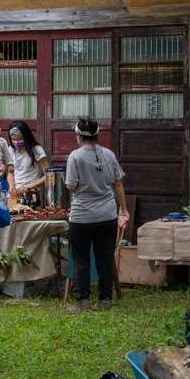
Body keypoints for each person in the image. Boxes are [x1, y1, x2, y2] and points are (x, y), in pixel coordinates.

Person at [63, 117, 128, 311]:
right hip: (107, 215)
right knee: (105, 258)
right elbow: (117, 183)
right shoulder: (109, 154)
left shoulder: (75, 156)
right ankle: (105, 299)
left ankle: (82, 301)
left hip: (82, 216)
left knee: (81, 258)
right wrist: (123, 209)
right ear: (97, 135)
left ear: (78, 136)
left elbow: (71, 185)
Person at [8, 120, 50, 205]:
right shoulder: (11, 150)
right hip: (16, 195)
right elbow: (10, 172)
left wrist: (29, 186)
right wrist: (11, 186)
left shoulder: (36, 150)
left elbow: (48, 176)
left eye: (19, 139)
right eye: (13, 139)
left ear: (26, 136)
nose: (16, 142)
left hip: (32, 194)